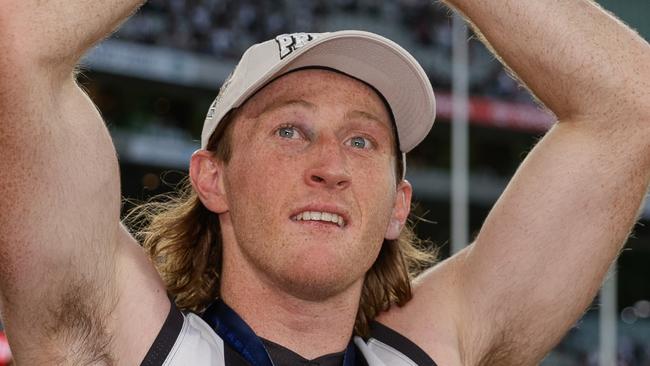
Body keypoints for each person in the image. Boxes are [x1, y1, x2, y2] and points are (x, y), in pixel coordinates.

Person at [0, 1, 648, 365]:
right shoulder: (119, 342)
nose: (331, 165)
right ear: (213, 178)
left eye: (362, 140)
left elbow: (634, 107)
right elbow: (13, 45)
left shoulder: (425, 355)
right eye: (290, 131)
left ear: (399, 206)